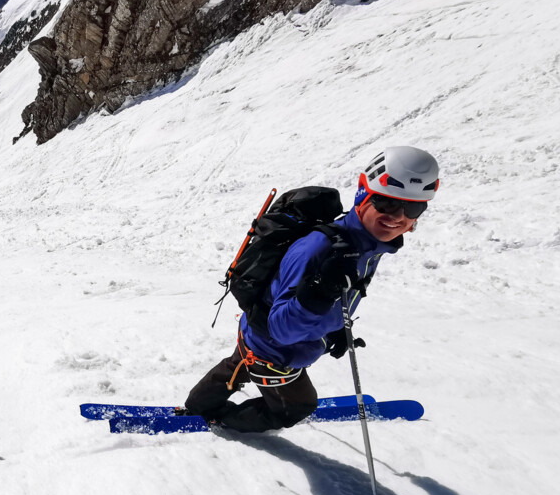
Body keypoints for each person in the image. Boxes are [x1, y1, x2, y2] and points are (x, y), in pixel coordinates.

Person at [183, 146, 440, 432]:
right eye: (386, 203)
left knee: (238, 363)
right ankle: (223, 420)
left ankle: (197, 407)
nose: (398, 216)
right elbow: (282, 329)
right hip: (275, 350)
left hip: (257, 333)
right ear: (363, 194)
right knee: (296, 408)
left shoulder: (367, 245)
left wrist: (333, 331)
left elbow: (337, 296)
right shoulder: (319, 249)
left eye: (413, 207)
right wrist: (319, 292)